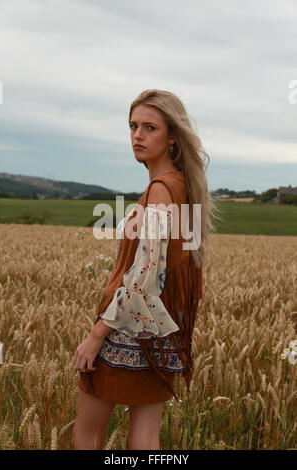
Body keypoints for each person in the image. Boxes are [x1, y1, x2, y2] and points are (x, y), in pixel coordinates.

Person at [72, 89, 220, 450]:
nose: (137, 135)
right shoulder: (184, 186)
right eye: (133, 126)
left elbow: (146, 276)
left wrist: (96, 336)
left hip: (126, 329)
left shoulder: (160, 189)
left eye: (149, 127)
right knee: (145, 439)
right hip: (164, 333)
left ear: (172, 136)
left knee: (87, 437)